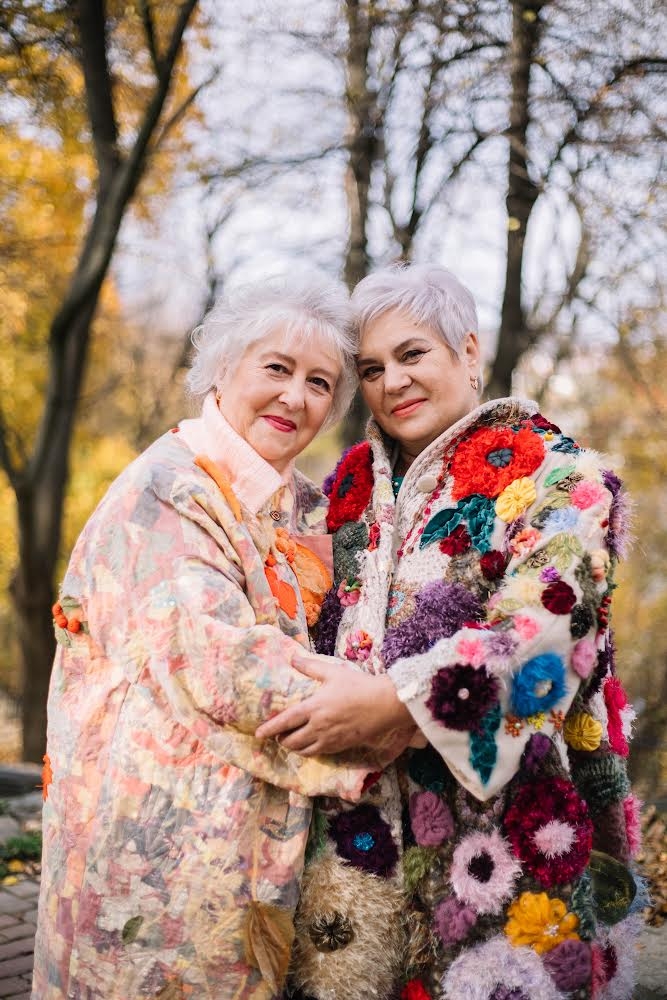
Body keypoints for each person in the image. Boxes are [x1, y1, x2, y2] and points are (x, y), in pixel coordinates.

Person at [257, 264, 641, 1000]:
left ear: (467, 352)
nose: (390, 381)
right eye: (369, 368)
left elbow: (549, 627)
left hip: (505, 835)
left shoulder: (565, 477)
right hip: (355, 838)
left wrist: (396, 704)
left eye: (412, 355)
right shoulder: (345, 489)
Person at [32, 272, 412, 1000]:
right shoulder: (169, 491)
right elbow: (233, 671)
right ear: (222, 367)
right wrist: (417, 709)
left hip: (231, 853)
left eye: (319, 382)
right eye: (276, 368)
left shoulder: (289, 499)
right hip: (155, 864)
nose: (295, 398)